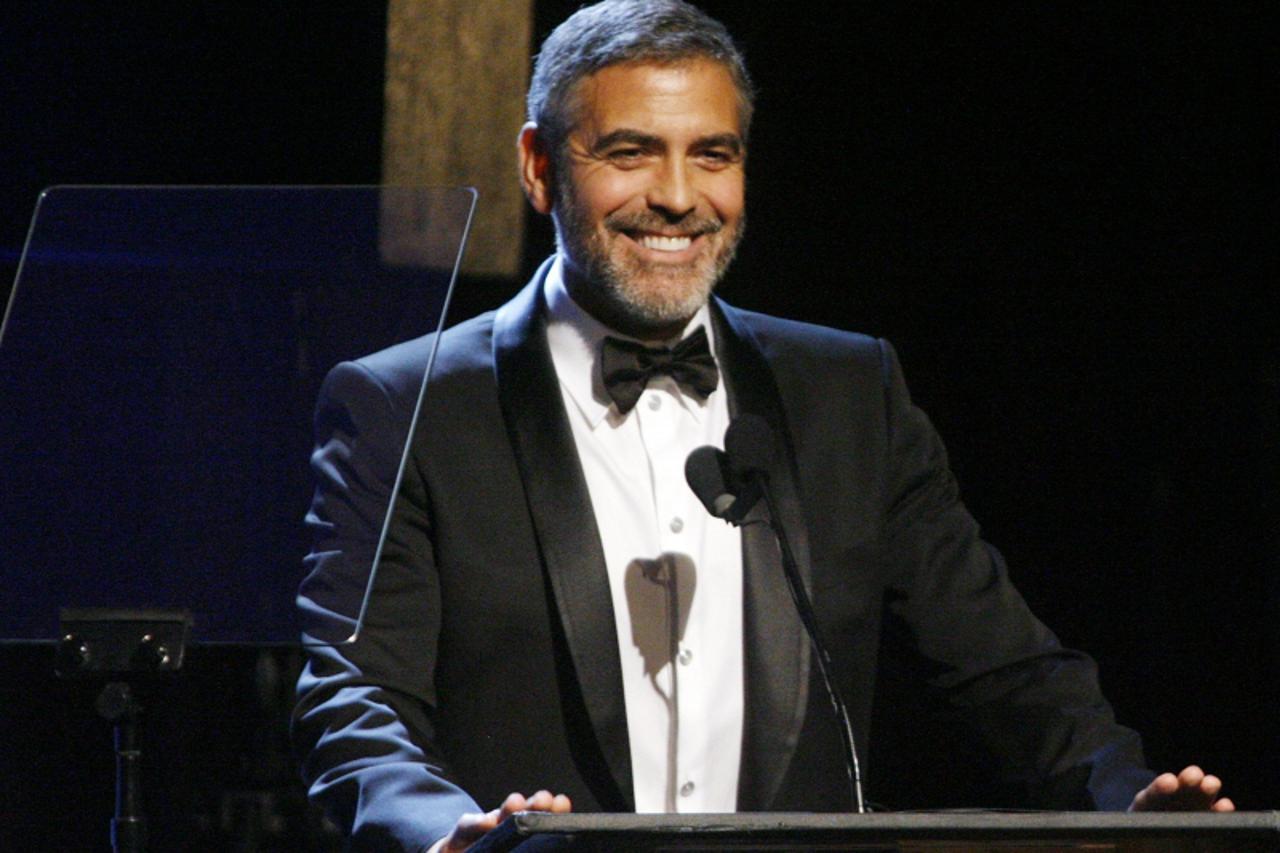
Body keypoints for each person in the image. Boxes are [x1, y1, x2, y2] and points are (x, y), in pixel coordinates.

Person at [292, 2, 1233, 850]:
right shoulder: (405, 406)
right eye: (630, 152)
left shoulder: (850, 392)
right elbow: (355, 700)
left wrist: (1123, 798)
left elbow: (1005, 666)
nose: (678, 196)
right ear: (540, 168)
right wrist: (446, 832)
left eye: (713, 154)